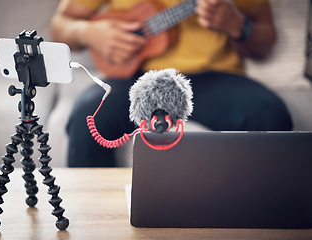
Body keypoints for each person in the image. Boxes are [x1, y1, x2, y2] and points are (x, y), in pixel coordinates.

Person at [51, 0, 293, 167]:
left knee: (270, 115)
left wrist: (239, 25)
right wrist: (88, 32)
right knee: (88, 116)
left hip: (214, 78)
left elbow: (264, 43)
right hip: (135, 78)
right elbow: (60, 26)